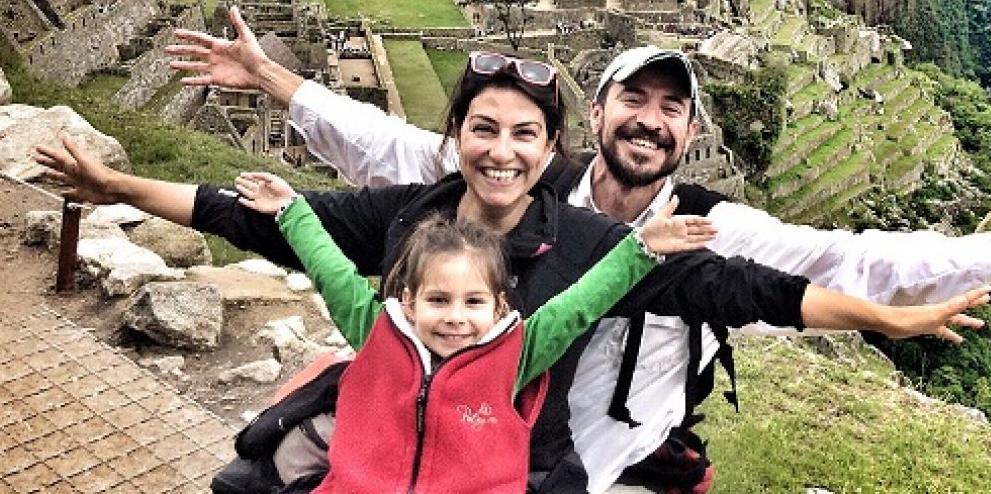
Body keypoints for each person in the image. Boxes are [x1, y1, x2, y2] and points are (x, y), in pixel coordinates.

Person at [165, 12, 991, 492]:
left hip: (613, 453)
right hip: (499, 439)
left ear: (689, 133)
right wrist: (277, 80)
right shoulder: (528, 185)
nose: (648, 122)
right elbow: (390, 147)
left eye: (669, 108)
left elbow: (857, 255)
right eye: (632, 101)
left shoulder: (707, 230)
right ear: (595, 116)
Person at [35, 49, 991, 493]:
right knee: (245, 482)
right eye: (482, 130)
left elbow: (750, 290)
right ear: (454, 140)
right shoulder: (407, 213)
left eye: (523, 134)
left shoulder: (589, 250)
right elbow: (265, 222)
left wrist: (887, 319)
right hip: (383, 444)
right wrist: (112, 181)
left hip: (513, 468)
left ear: (550, 149)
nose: (500, 150)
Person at [229, 170, 714, 494]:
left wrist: (641, 250)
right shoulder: (377, 333)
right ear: (409, 301)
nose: (456, 317)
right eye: (438, 300)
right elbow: (332, 272)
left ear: (499, 306)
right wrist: (291, 210)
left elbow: (580, 305)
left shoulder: (516, 353)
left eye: (474, 302)